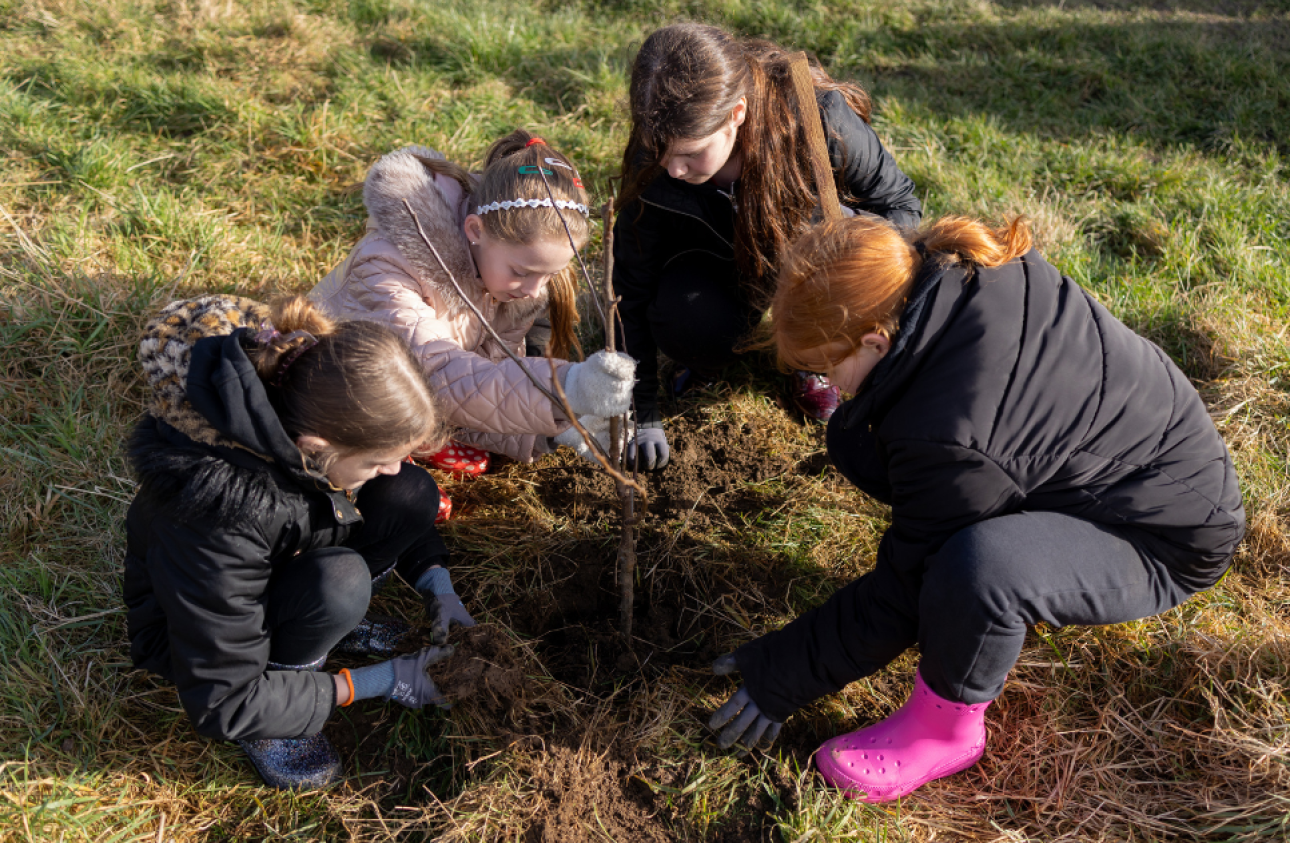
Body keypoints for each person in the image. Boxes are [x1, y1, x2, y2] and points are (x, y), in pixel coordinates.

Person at [707, 215, 1245, 802]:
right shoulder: (946, 266)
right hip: (1133, 457)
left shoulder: (953, 436)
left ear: (874, 341)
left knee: (979, 570)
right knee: (863, 439)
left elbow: (902, 592)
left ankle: (944, 730)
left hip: (1163, 534)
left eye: (826, 367)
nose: (825, 381)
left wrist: (781, 674)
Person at [124, 294, 480, 790]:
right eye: (377, 459)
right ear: (316, 448)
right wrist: (371, 682)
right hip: (208, 648)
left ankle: (321, 627)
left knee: (409, 493)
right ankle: (282, 699)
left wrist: (438, 585)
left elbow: (380, 490)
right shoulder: (214, 519)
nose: (390, 467)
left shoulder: (297, 421)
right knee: (340, 582)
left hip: (277, 554)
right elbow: (221, 699)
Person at [613, 22, 923, 470]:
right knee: (689, 323)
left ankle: (813, 355)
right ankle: (714, 351)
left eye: (691, 154)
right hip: (715, 264)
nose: (672, 169)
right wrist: (640, 412)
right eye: (660, 150)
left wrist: (849, 259)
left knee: (831, 245)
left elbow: (900, 207)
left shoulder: (818, 118)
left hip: (810, 262)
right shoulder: (657, 160)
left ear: (737, 112)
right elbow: (630, 289)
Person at [310, 129, 636, 506]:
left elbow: (489, 381)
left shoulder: (507, 283)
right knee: (405, 500)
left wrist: (555, 431)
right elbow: (439, 378)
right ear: (475, 230)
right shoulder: (389, 269)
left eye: (548, 276)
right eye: (523, 271)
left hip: (406, 400)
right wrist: (567, 390)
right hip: (332, 408)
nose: (535, 290)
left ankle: (425, 443)